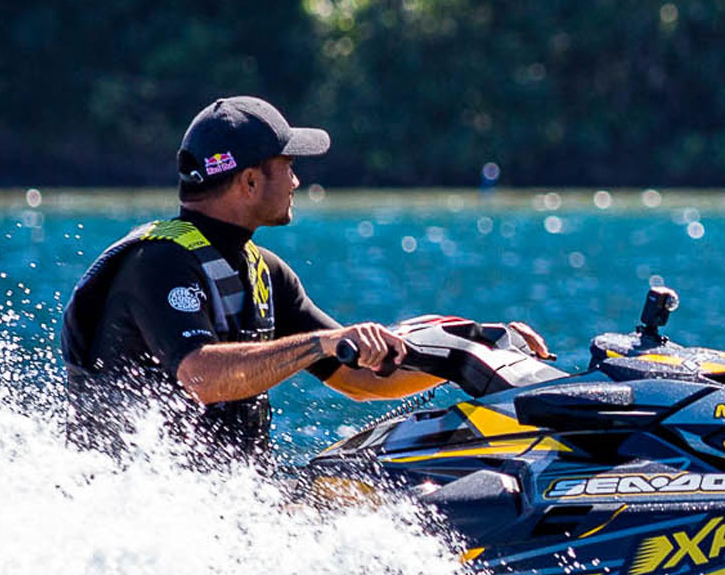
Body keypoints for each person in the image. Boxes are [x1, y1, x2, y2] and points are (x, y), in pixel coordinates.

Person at [59, 96, 533, 458]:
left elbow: (360, 378)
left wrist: (480, 351)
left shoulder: (266, 273)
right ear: (248, 182)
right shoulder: (158, 262)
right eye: (288, 167)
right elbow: (201, 374)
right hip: (137, 510)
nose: (296, 182)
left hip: (228, 504)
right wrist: (320, 344)